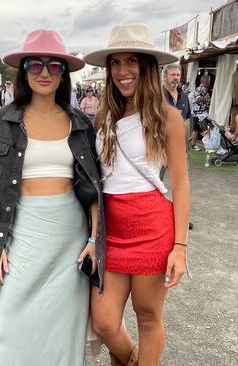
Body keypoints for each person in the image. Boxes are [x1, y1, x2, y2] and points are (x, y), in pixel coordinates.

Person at [0, 29, 104, 366]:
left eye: (54, 66)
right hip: (23, 233)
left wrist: (93, 238)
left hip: (68, 239)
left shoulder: (80, 123)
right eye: (35, 65)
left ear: (63, 74)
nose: (44, 73)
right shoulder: (3, 120)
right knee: (9, 324)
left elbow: (93, 188)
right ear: (23, 71)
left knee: (63, 328)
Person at [84, 23, 190, 366]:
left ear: (146, 67)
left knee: (147, 315)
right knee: (103, 321)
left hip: (152, 228)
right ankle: (131, 359)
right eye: (115, 63)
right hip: (112, 232)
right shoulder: (104, 117)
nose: (122, 71)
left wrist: (180, 247)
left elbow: (180, 185)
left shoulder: (167, 117)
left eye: (131, 61)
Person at [191, 74, 211, 151]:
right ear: (205, 81)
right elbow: (198, 99)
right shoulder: (201, 89)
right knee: (199, 128)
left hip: (201, 112)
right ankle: (194, 144)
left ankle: (206, 144)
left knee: (203, 128)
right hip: (200, 113)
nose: (209, 82)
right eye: (209, 80)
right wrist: (206, 100)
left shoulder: (203, 88)